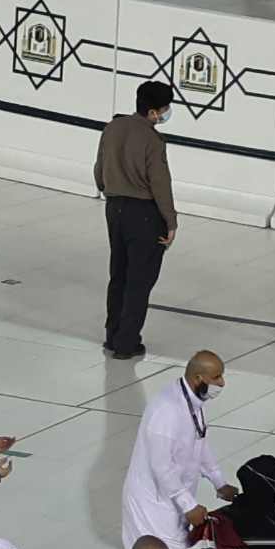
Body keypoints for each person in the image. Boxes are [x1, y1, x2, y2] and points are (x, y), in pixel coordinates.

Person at [93, 80, 175, 361]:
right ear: (153, 112)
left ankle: (113, 334)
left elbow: (99, 170)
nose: (165, 113)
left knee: (119, 273)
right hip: (144, 214)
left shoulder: (112, 128)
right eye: (164, 109)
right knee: (139, 280)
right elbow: (160, 184)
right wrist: (171, 221)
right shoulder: (153, 141)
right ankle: (127, 342)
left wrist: (109, 190)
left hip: (114, 209)